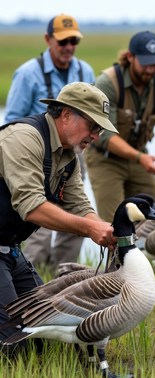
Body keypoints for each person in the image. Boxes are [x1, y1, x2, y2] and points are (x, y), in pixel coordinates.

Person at [0, 82, 118, 355]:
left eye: (100, 129)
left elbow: (79, 204)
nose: (96, 136)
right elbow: (32, 207)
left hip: (11, 251)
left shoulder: (69, 156)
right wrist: (90, 228)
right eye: (93, 126)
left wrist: (107, 230)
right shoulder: (23, 138)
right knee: (13, 347)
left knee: (49, 335)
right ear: (66, 115)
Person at [4, 14, 96, 273]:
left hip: (72, 156)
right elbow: (12, 122)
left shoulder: (85, 71)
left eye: (74, 41)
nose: (69, 46)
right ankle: (33, 268)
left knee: (76, 211)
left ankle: (62, 274)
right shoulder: (27, 73)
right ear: (48, 39)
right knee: (39, 219)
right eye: (63, 41)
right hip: (34, 154)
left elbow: (94, 116)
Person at [85, 30, 155, 223]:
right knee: (114, 225)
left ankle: (145, 254)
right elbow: (106, 135)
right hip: (105, 160)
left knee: (154, 219)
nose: (150, 70)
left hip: (139, 157)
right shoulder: (107, 83)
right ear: (130, 57)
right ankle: (116, 253)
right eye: (145, 64)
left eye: (154, 64)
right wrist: (141, 157)